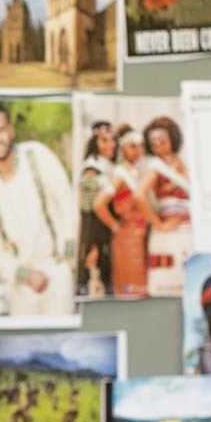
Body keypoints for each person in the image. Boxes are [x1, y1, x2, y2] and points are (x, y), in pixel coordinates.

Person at [0, 102, 76, 316]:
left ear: (10, 131)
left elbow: (68, 205)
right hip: (20, 285)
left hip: (56, 272)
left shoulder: (37, 156)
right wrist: (25, 275)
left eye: (2, 130)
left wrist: (68, 260)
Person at [93, 127, 169, 298]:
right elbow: (99, 204)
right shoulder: (120, 174)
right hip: (128, 242)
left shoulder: (137, 172)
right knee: (132, 292)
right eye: (133, 146)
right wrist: (116, 226)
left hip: (142, 238)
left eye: (141, 146)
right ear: (123, 149)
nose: (138, 150)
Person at [139, 117, 192, 297]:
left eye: (163, 142)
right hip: (169, 234)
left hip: (188, 232)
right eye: (154, 144)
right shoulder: (155, 168)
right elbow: (139, 195)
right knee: (167, 285)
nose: (159, 148)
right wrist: (158, 224)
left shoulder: (181, 163)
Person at [77, 121, 117, 297]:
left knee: (106, 257)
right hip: (93, 219)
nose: (110, 145)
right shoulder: (92, 165)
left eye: (112, 140)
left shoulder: (110, 164)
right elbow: (84, 184)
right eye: (104, 140)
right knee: (91, 255)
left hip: (105, 217)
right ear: (95, 142)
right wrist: (104, 182)